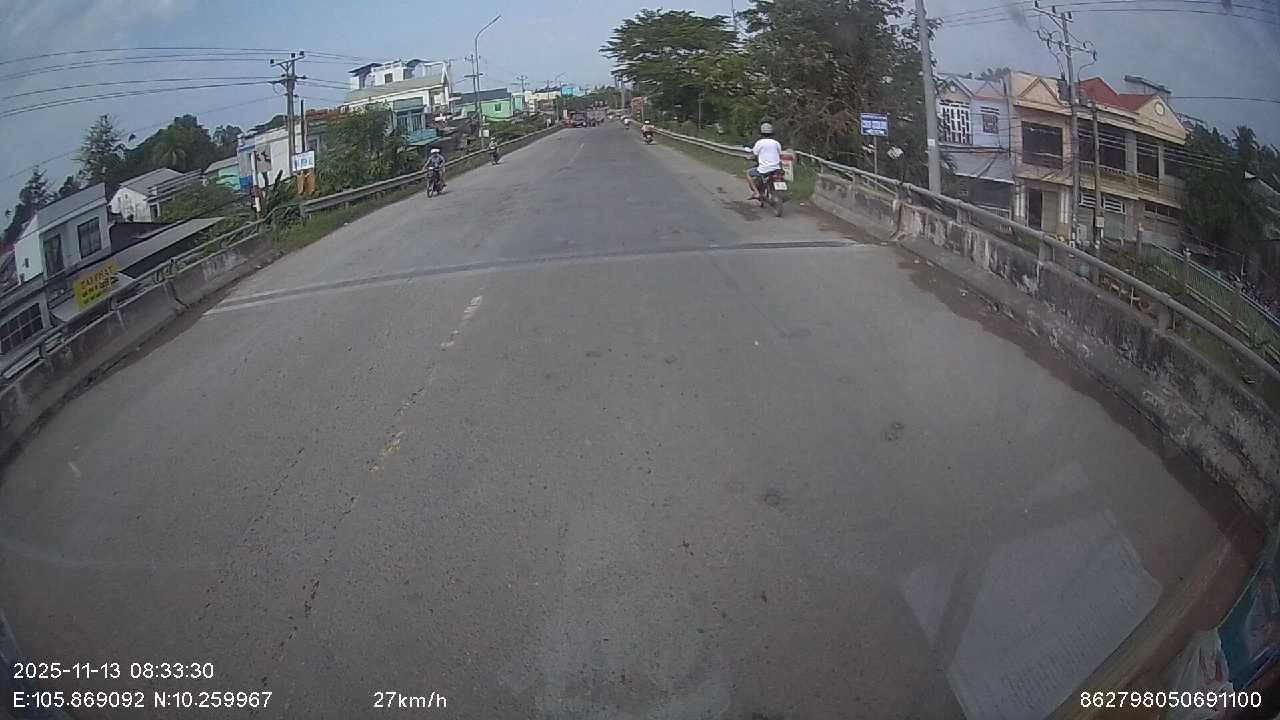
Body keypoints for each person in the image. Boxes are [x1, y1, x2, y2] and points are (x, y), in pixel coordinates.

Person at [745, 122, 783, 200]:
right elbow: (779, 153)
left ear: (761, 133)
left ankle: (756, 193)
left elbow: (754, 154)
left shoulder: (759, 143)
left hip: (764, 169)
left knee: (748, 173)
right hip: (776, 168)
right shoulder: (776, 143)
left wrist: (749, 158)